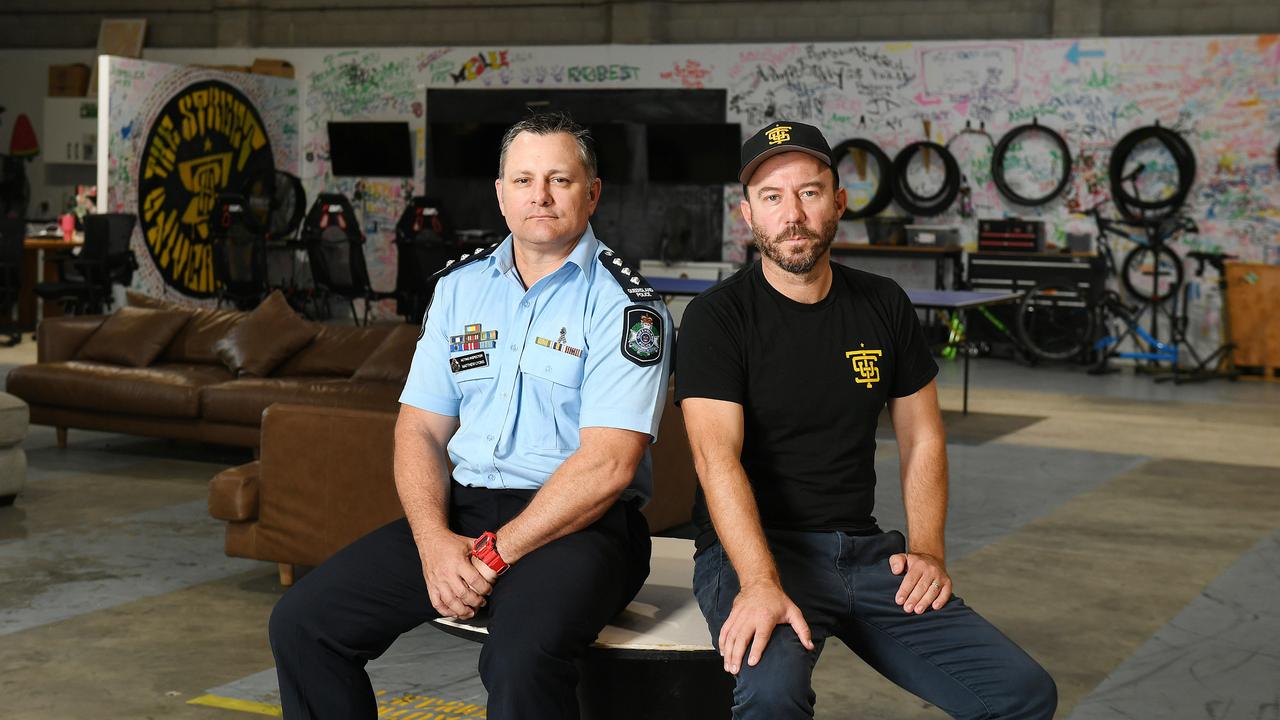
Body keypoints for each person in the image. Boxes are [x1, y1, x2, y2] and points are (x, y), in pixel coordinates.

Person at [268, 112, 673, 720]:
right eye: (523, 179)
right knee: (303, 623)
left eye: (559, 179)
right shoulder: (458, 288)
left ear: (592, 194)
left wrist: (490, 557)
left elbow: (609, 466)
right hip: (463, 511)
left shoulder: (630, 308)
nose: (540, 195)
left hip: (581, 527)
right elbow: (420, 428)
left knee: (519, 658)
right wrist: (435, 544)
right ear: (501, 193)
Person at [675, 120, 1056, 719]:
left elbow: (923, 434)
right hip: (755, 553)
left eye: (810, 192)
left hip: (865, 553)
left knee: (1022, 695)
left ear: (838, 202)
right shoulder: (717, 318)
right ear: (748, 214)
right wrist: (757, 582)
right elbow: (713, 457)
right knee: (772, 696)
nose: (792, 214)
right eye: (772, 197)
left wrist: (927, 550)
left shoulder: (883, 303)